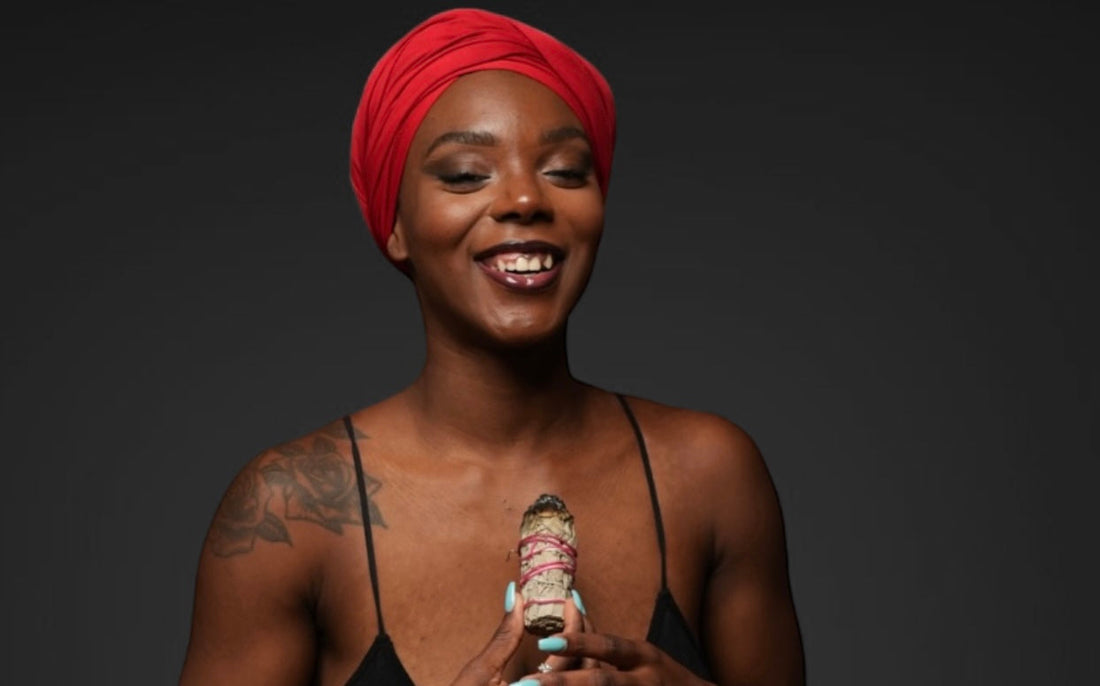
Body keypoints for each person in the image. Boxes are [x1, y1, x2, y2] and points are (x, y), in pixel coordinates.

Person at [179, 8, 805, 686]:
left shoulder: (708, 476)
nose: (524, 198)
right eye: (466, 174)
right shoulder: (291, 513)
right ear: (395, 226)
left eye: (566, 171)